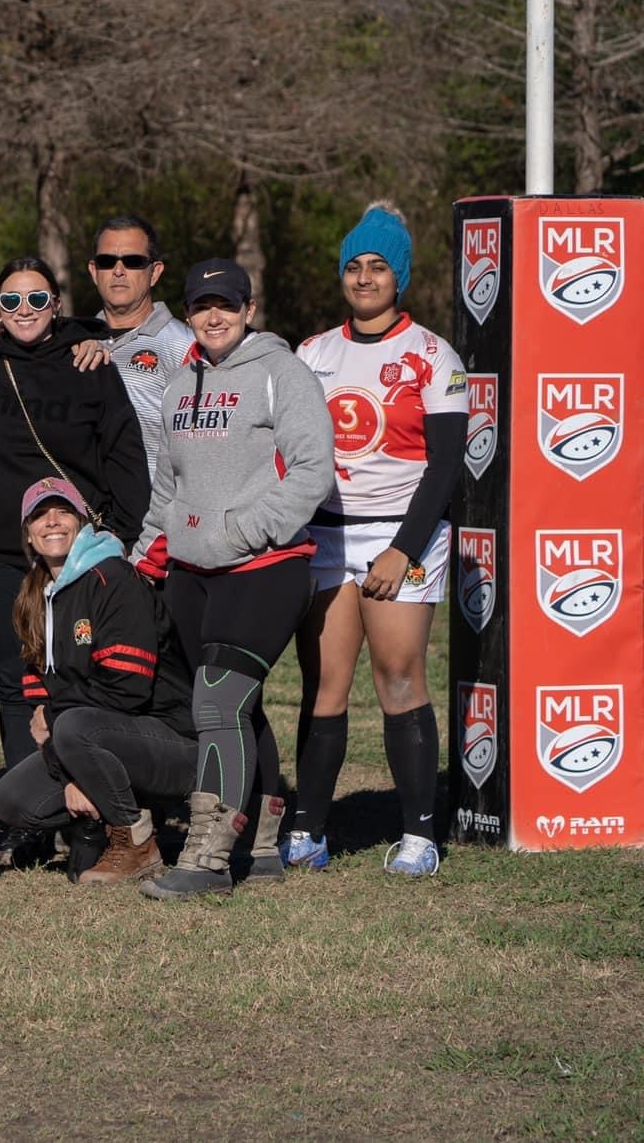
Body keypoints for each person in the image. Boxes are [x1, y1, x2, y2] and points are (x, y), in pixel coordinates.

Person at [132, 258, 334, 899]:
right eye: (201, 305)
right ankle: (267, 834)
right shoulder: (177, 383)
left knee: (216, 703)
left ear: (248, 309)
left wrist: (247, 529)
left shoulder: (282, 373)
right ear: (188, 312)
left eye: (226, 304)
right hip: (192, 573)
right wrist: (146, 555)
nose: (213, 316)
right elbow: (169, 484)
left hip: (265, 569)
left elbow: (312, 468)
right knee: (234, 707)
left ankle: (208, 855)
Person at [291, 204, 466, 878]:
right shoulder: (313, 353)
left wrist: (403, 551)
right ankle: (308, 829)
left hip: (403, 538)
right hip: (327, 541)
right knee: (325, 684)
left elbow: (446, 467)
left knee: (398, 678)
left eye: (379, 266)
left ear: (402, 276)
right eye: (354, 266)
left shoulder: (431, 355)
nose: (365, 278)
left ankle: (419, 834)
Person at [0, 257, 150, 782]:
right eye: (12, 300)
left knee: (78, 678)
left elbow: (125, 453)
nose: (25, 310)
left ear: (56, 305)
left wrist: (120, 536)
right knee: (17, 685)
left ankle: (88, 798)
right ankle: (28, 811)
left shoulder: (89, 366)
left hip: (73, 551)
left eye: (38, 298)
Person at [0, 479, 196, 884]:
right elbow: (39, 706)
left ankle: (136, 842)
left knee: (72, 725)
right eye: (39, 515)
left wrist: (56, 721)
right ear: (28, 533)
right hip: (87, 740)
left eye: (63, 511)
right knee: (10, 798)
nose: (52, 522)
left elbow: (126, 688)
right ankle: (109, 816)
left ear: (83, 523)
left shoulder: (114, 577)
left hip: (171, 742)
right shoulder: (34, 595)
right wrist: (71, 774)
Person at [83, 216, 196, 480]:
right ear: (93, 271)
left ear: (154, 272)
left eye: (133, 262)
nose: (118, 271)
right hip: (90, 514)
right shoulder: (75, 344)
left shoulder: (185, 345)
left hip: (158, 514)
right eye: (106, 262)